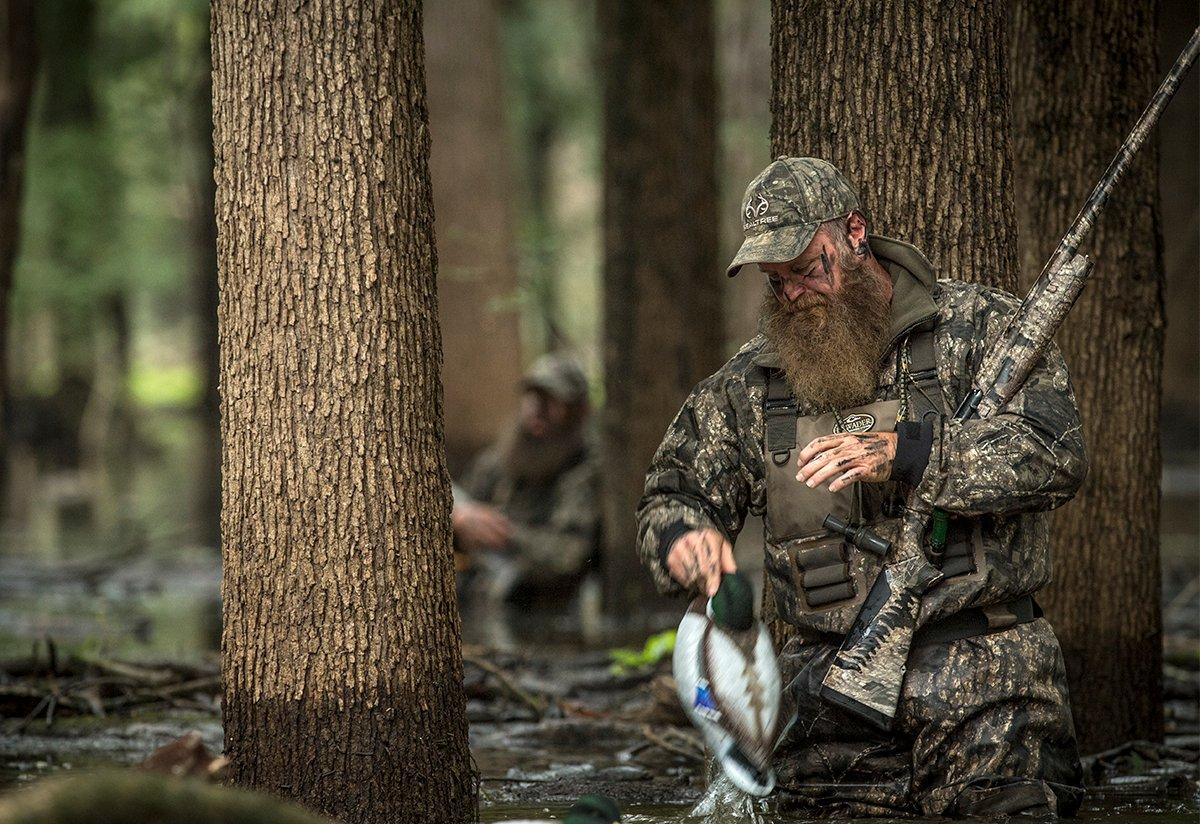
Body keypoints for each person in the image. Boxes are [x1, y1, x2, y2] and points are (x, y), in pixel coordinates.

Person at [636, 157, 1086, 817]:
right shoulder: (752, 383)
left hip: (991, 691)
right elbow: (671, 492)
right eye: (776, 281)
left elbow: (1055, 452)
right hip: (826, 712)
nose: (795, 294)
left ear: (853, 233)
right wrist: (683, 537)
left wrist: (909, 452)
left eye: (807, 268)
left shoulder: (982, 328)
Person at [453, 354, 602, 605]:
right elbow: (465, 506)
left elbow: (569, 554)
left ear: (579, 410)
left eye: (551, 400)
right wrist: (459, 519)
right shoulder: (502, 458)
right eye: (532, 397)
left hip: (546, 605)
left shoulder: (585, 471)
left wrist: (501, 532)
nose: (538, 409)